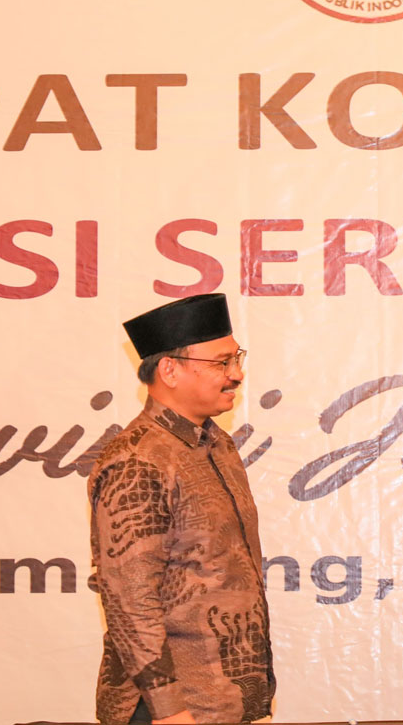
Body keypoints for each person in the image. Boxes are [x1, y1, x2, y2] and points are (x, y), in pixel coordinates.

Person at [87, 294, 275, 725]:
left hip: (226, 702)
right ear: (170, 370)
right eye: (221, 362)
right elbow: (129, 600)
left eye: (236, 359)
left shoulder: (218, 445)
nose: (236, 374)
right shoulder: (137, 460)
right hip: (170, 710)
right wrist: (169, 709)